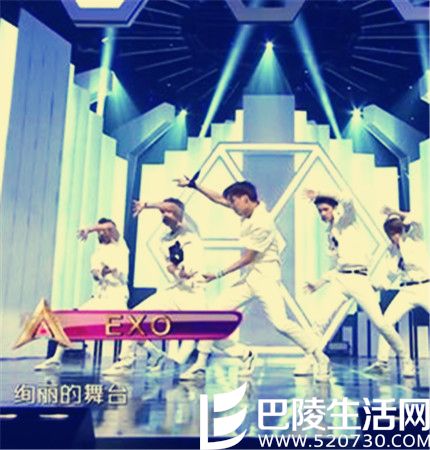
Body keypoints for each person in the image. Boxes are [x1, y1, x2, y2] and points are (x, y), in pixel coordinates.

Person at [174, 177, 331, 382]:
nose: (231, 206)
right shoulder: (247, 209)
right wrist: (194, 185)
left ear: (245, 198)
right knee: (212, 315)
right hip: (251, 278)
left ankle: (320, 357)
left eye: (234, 202)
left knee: (281, 324)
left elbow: (248, 258)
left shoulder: (262, 222)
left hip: (266, 279)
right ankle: (202, 365)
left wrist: (217, 274)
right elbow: (219, 199)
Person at [302, 190, 416, 378]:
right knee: (320, 321)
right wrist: (318, 284)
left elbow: (347, 199)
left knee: (381, 324)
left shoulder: (346, 221)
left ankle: (406, 361)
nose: (322, 214)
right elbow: (336, 265)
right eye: (320, 211)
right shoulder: (330, 233)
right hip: (341, 279)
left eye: (325, 209)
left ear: (334, 209)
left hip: (359, 279)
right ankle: (311, 360)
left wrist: (319, 192)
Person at [102, 198, 207, 376]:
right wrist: (178, 272)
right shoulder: (164, 240)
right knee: (134, 316)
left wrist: (147, 205)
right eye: (162, 212)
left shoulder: (190, 230)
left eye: (168, 211)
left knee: (213, 334)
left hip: (194, 292)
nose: (165, 214)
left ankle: (244, 354)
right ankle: (127, 361)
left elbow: (173, 207)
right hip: (175, 290)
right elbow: (170, 265)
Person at [34, 218, 129, 370]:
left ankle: (136, 358)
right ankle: (56, 358)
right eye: (99, 231)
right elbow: (95, 274)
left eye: (103, 230)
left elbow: (110, 226)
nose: (101, 232)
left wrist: (89, 229)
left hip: (117, 296)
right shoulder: (97, 253)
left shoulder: (120, 245)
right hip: (101, 297)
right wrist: (102, 273)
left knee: (129, 328)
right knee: (74, 319)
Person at [364, 207, 429, 375]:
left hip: (426, 287)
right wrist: (375, 285)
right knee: (385, 322)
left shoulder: (415, 237)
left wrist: (395, 211)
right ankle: (382, 362)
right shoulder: (392, 251)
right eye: (391, 232)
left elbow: (417, 217)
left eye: (396, 231)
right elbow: (390, 274)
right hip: (407, 289)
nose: (394, 235)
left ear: (401, 229)